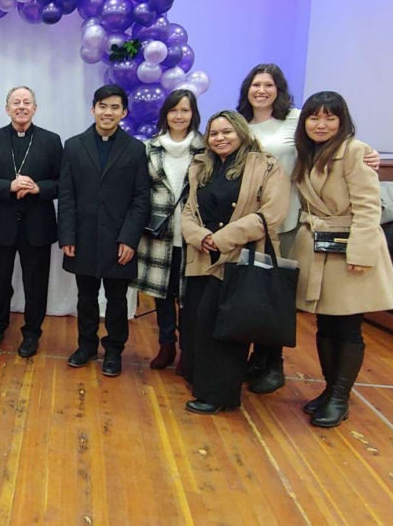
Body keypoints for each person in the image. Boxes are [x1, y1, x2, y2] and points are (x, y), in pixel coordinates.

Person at [236, 64, 379, 395]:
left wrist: (370, 154)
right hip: (248, 221)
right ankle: (256, 359)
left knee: (278, 297)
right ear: (246, 89)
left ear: (279, 89)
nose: (261, 90)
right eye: (255, 84)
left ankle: (274, 364)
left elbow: (340, 141)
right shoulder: (239, 123)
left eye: (268, 84)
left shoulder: (297, 119)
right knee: (253, 292)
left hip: (291, 221)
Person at [291, 91, 393, 428]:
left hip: (350, 248)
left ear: (342, 121)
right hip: (320, 248)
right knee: (325, 322)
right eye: (314, 117)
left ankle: (340, 397)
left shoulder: (356, 152)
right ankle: (328, 390)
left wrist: (362, 254)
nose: (321, 124)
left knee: (349, 326)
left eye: (330, 118)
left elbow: (369, 207)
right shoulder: (307, 153)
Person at [180, 110, 288, 414]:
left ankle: (220, 396)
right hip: (202, 255)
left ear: (241, 132)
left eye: (226, 132)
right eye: (214, 133)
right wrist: (199, 236)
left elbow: (272, 214)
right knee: (199, 324)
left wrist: (224, 238)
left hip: (237, 257)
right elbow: (188, 211)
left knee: (226, 329)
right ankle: (203, 383)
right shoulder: (202, 165)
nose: (220, 138)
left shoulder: (266, 166)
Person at [59, 85, 150, 377]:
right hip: (83, 237)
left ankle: (113, 350)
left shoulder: (136, 149)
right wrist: (68, 236)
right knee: (85, 297)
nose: (107, 112)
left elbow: (141, 198)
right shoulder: (73, 146)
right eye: (102, 106)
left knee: (116, 298)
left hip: (118, 239)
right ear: (92, 109)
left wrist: (129, 238)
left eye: (114, 107)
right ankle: (86, 346)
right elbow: (67, 195)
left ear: (123, 112)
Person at [0, 86, 62, 357]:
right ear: (6, 108)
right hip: (1, 225)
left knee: (36, 284)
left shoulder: (51, 140)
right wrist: (9, 186)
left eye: (26, 102)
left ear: (35, 108)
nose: (21, 107)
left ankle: (32, 333)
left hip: (37, 225)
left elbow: (62, 184)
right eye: (16, 102)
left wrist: (38, 189)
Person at [134, 89, 205, 371]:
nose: (179, 116)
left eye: (185, 111)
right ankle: (166, 345)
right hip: (158, 234)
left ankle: (189, 348)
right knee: (162, 294)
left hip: (194, 235)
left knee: (190, 297)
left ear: (193, 114)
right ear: (165, 114)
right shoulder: (149, 148)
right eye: (173, 110)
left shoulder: (205, 149)